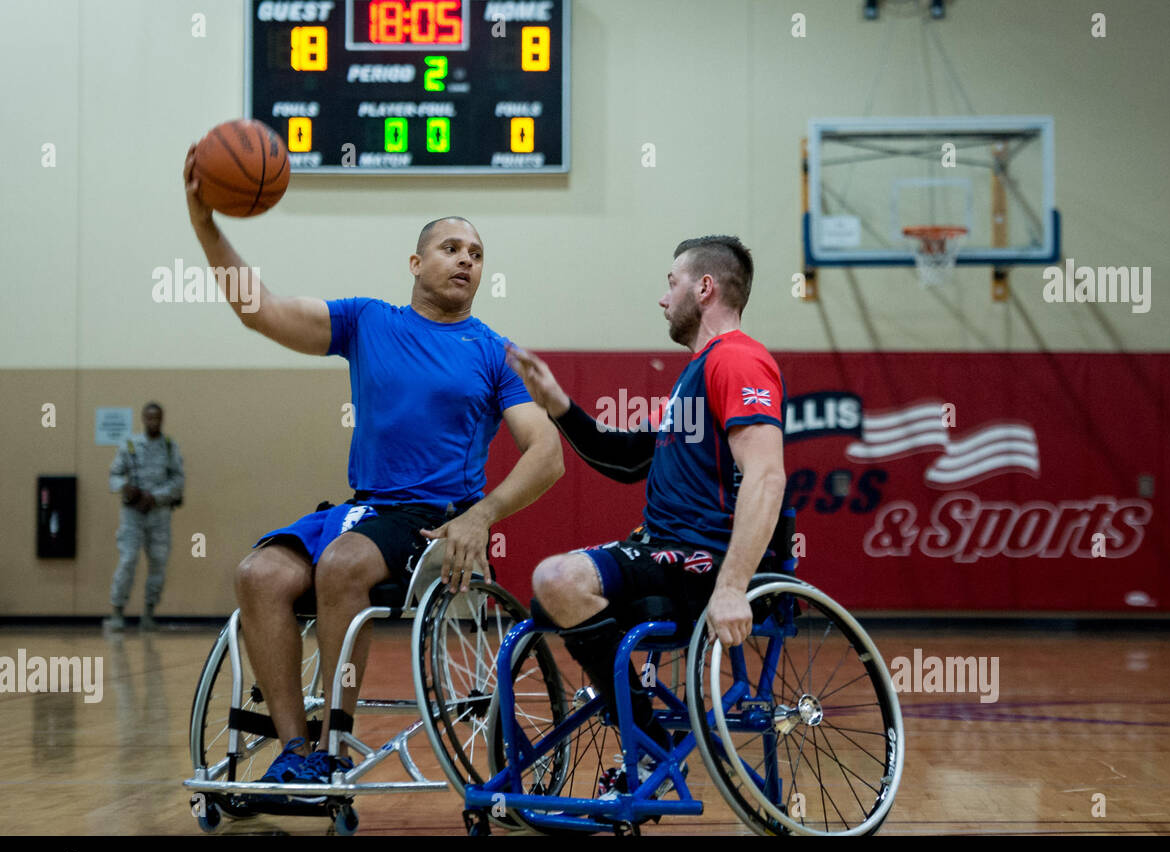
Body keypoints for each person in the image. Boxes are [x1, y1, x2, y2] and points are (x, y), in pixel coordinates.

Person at [182, 145, 564, 793]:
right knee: (259, 573)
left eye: (475, 253)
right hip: (362, 509)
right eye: (450, 248)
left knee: (342, 564)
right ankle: (297, 749)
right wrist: (205, 224)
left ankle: (333, 742)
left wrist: (483, 513)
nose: (466, 259)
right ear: (415, 263)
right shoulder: (367, 321)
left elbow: (547, 452)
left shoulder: (494, 352)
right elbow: (260, 309)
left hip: (435, 520)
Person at [507, 235, 786, 794]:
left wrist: (732, 587)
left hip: (701, 563)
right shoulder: (696, 374)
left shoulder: (737, 359)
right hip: (665, 553)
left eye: (671, 282)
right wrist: (556, 401)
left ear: (704, 288)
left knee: (556, 580)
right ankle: (655, 746)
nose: (663, 299)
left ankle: (652, 747)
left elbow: (767, 475)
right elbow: (623, 457)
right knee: (550, 594)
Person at [107, 402, 185, 632]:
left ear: (162, 419)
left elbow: (178, 482)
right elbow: (113, 476)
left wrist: (154, 497)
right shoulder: (129, 445)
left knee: (159, 564)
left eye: (157, 418)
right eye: (149, 418)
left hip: (159, 514)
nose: (153, 422)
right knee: (128, 560)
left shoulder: (170, 447)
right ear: (143, 419)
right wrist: (126, 487)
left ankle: (149, 614)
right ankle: (117, 612)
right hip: (132, 515)